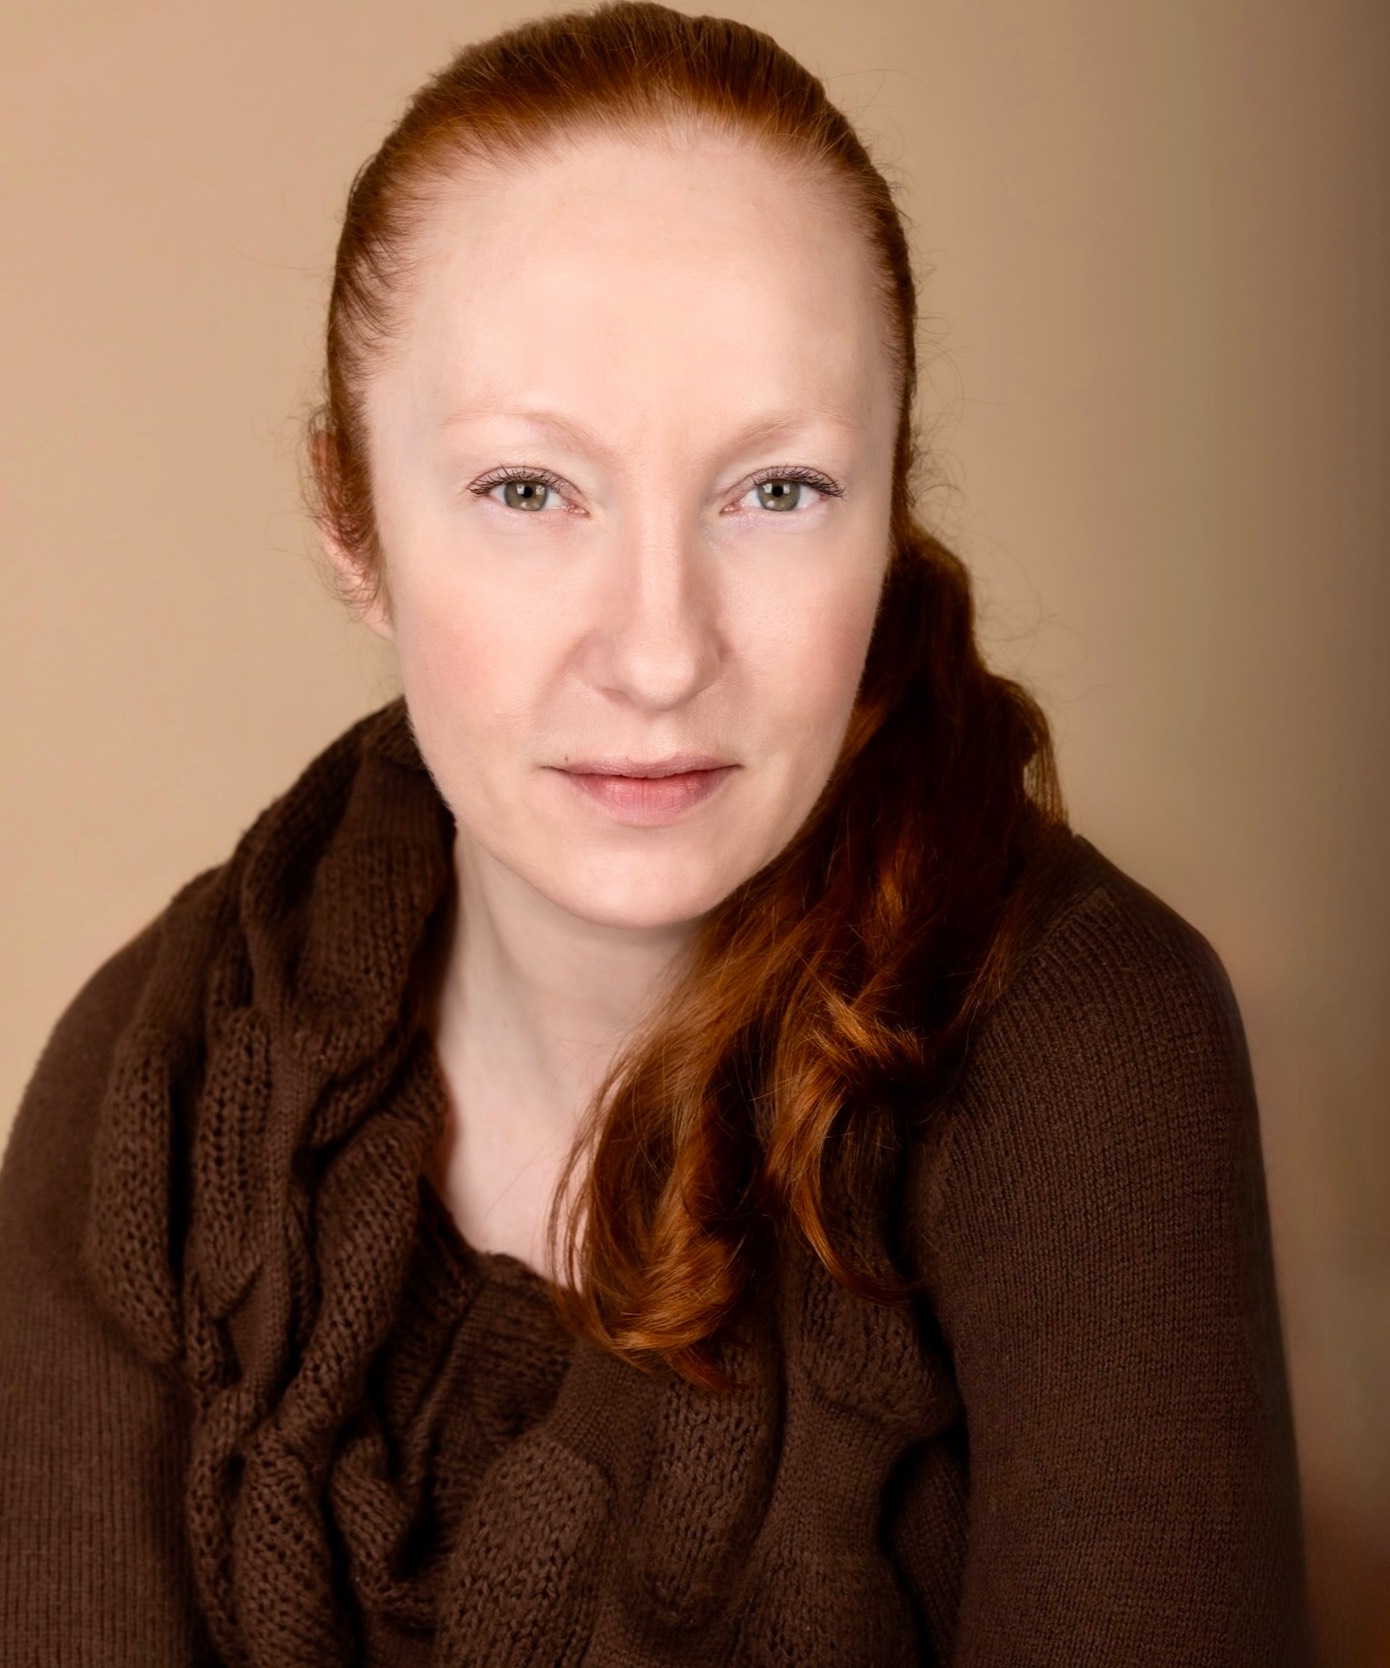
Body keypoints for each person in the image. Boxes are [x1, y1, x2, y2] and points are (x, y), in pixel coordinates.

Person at [0, 4, 1312, 1663]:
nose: (658, 653)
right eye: (527, 491)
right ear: (352, 520)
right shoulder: (159, 1077)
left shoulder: (1089, 1047)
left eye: (776, 490)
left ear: (889, 509)